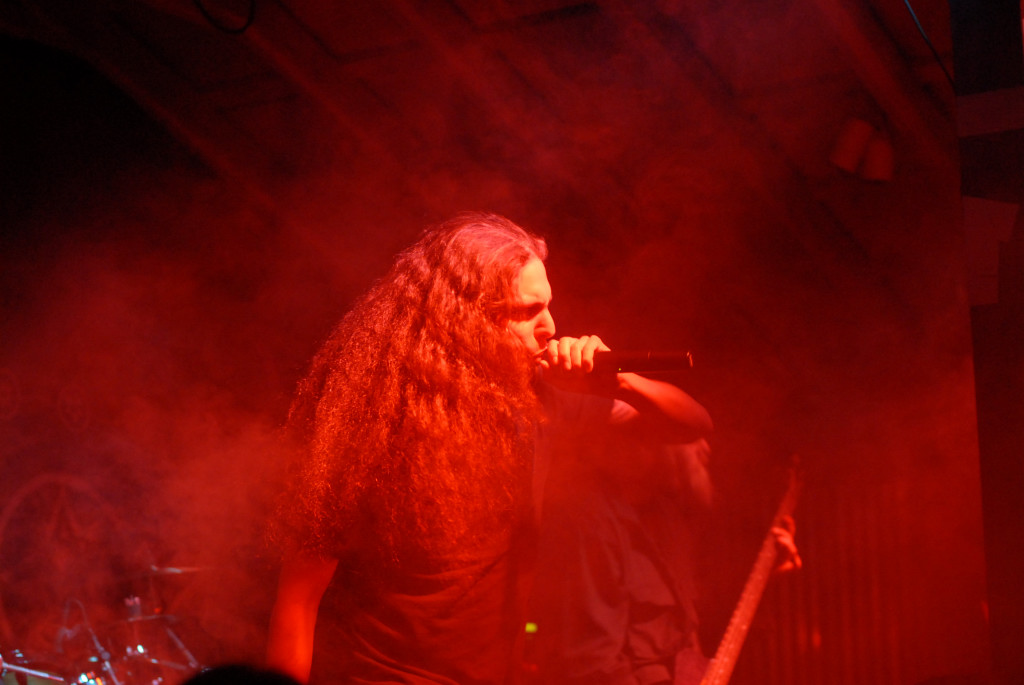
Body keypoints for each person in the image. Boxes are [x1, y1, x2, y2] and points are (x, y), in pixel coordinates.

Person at [264, 212, 713, 685]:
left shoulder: (541, 394)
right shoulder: (375, 415)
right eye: (527, 311)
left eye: (548, 306)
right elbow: (298, 599)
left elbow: (691, 424)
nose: (550, 326)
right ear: (464, 316)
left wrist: (619, 383)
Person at [527, 435, 800, 685]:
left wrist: (766, 576)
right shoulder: (590, 521)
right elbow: (589, 665)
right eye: (690, 436)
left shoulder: (669, 521)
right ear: (649, 439)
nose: (705, 448)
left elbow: (697, 634)